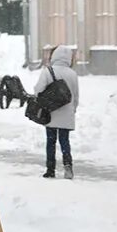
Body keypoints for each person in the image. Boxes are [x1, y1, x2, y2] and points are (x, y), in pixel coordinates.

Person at [33, 44, 80, 179]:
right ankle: (68, 166)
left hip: (51, 112)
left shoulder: (48, 71)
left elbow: (39, 90)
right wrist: (72, 110)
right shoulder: (73, 74)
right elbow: (76, 96)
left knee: (51, 142)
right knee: (65, 141)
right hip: (67, 113)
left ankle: (50, 169)